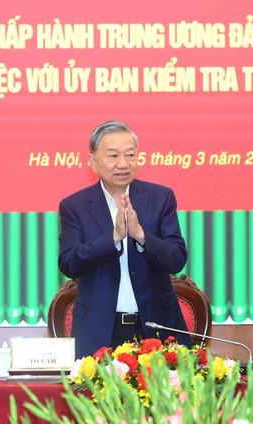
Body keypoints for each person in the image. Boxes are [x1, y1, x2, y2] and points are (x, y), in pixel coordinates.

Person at [58, 120, 193, 358]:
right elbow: (69, 263)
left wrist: (141, 236)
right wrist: (114, 238)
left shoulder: (161, 198)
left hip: (155, 327)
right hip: (99, 331)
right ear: (93, 161)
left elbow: (177, 259)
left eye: (130, 155)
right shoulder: (74, 206)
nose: (123, 164)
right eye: (113, 156)